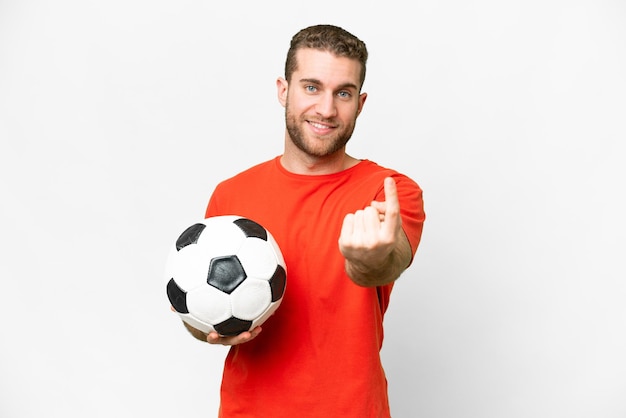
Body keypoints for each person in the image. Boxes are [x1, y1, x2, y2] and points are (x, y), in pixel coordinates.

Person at [181, 24, 425, 417]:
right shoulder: (231, 196)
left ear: (360, 103)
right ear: (283, 90)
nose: (327, 109)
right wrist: (208, 328)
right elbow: (200, 308)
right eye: (311, 87)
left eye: (343, 93)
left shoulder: (389, 192)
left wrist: (368, 257)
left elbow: (386, 263)